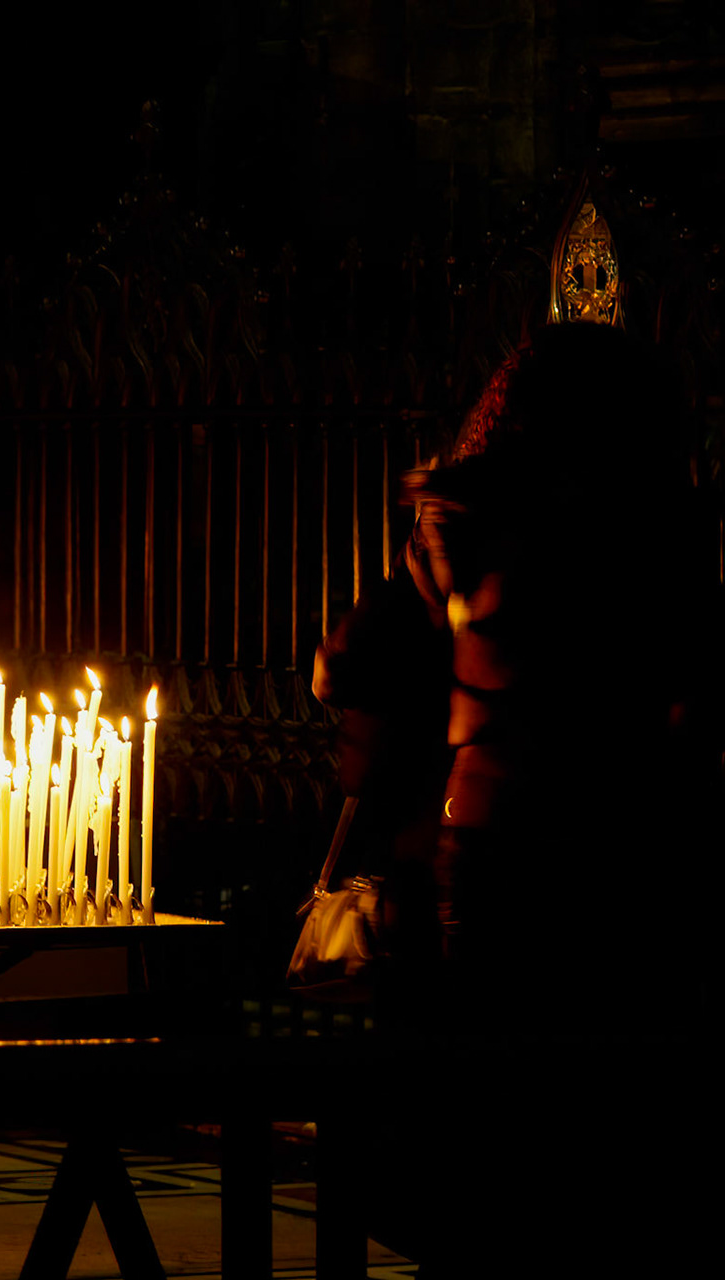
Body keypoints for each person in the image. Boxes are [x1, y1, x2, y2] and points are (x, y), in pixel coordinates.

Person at [314, 323, 720, 1276]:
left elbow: (345, 667)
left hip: (492, 848)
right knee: (581, 1148)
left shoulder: (469, 531)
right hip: (615, 862)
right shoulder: (648, 548)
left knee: (488, 1137)